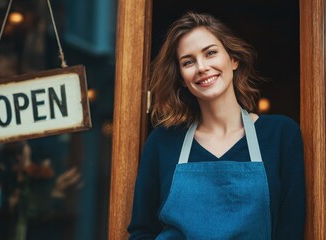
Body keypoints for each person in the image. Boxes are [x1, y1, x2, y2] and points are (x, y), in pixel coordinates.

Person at [127, 12, 305, 239]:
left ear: (233, 59)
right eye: (188, 62)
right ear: (182, 78)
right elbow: (142, 232)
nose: (201, 67)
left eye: (210, 53)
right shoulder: (162, 143)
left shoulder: (280, 135)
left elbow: (290, 230)